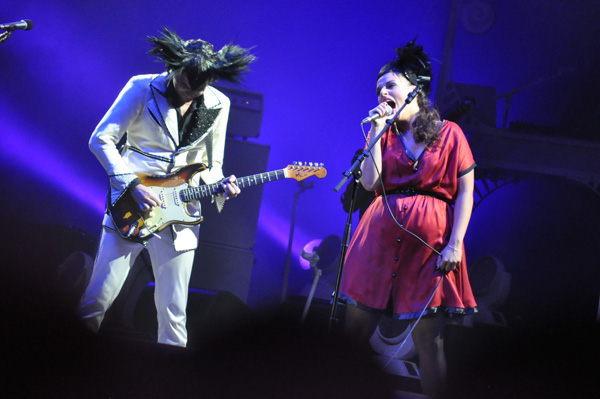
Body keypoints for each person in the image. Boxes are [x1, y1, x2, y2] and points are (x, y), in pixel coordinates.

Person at [78, 28, 256, 347]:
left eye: (198, 87)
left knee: (174, 310)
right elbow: (100, 139)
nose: (189, 93)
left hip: (181, 211)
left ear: (212, 80)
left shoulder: (219, 102)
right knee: (97, 299)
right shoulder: (141, 87)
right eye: (184, 84)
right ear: (172, 69)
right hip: (131, 204)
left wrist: (219, 185)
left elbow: (213, 164)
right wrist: (130, 183)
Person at [339, 40, 477, 398]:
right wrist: (376, 130)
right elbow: (370, 183)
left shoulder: (450, 134)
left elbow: (465, 193)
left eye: (390, 85)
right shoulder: (383, 136)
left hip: (429, 248)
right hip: (378, 241)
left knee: (430, 339)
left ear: (414, 89)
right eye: (377, 88)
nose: (382, 92)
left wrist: (455, 243)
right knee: (352, 333)